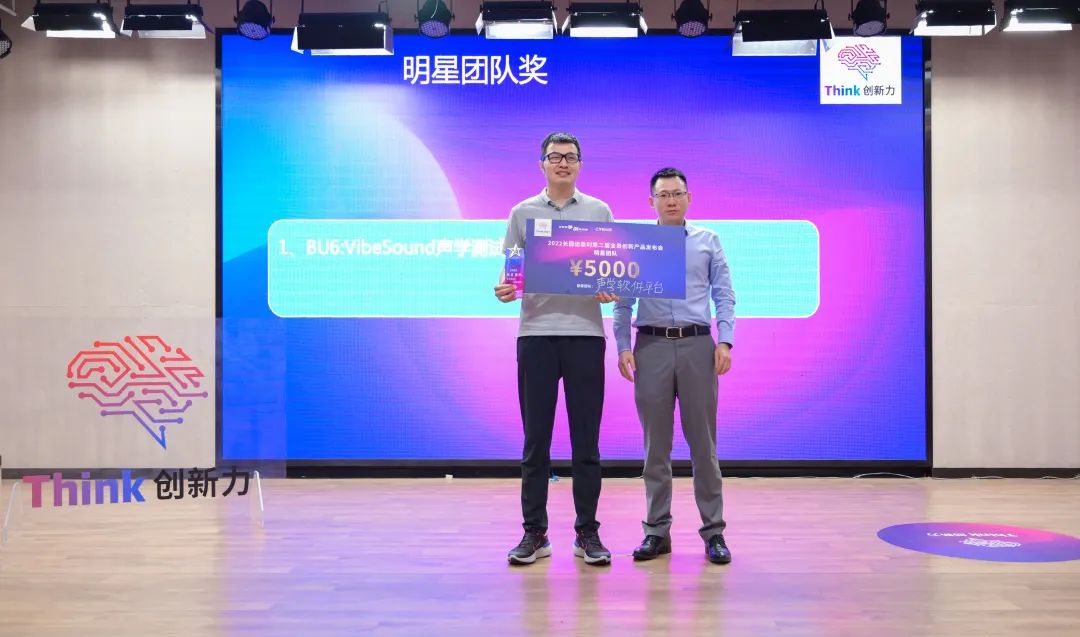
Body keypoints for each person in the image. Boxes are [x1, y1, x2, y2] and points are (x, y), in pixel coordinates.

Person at [494, 132, 618, 566]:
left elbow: (611, 270)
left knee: (586, 441)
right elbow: (511, 272)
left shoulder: (599, 211)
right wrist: (506, 288)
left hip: (585, 335)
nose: (563, 162)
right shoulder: (522, 212)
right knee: (535, 442)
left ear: (580, 164)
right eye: (554, 156)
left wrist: (609, 287)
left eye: (570, 157)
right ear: (542, 164)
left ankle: (587, 532)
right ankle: (535, 532)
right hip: (536, 334)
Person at [612, 167, 736, 564]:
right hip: (650, 347)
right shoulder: (638, 244)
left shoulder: (707, 240)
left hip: (698, 345)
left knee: (704, 445)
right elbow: (622, 301)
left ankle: (714, 533)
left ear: (688, 198)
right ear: (651, 201)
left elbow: (724, 294)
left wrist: (726, 340)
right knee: (656, 448)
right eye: (663, 195)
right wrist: (623, 346)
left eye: (677, 194)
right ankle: (656, 531)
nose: (670, 200)